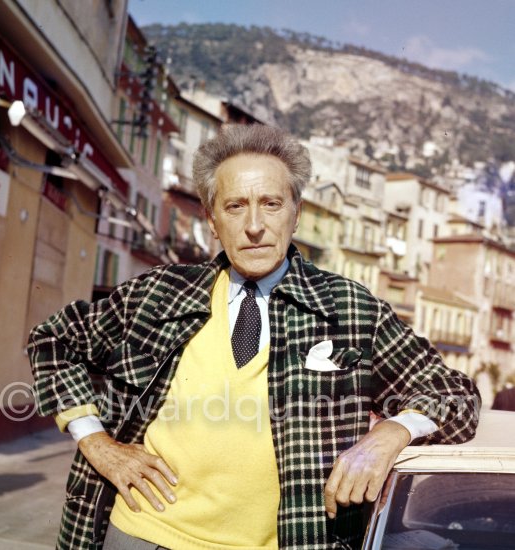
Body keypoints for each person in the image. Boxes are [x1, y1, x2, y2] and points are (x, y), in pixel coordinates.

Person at [28, 124, 480, 550]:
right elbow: (52, 340)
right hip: (140, 535)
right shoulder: (158, 294)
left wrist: (393, 433)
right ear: (211, 219)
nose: (254, 226)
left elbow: (455, 395)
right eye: (235, 206)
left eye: (271, 203)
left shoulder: (348, 309)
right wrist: (96, 443)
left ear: (296, 214)